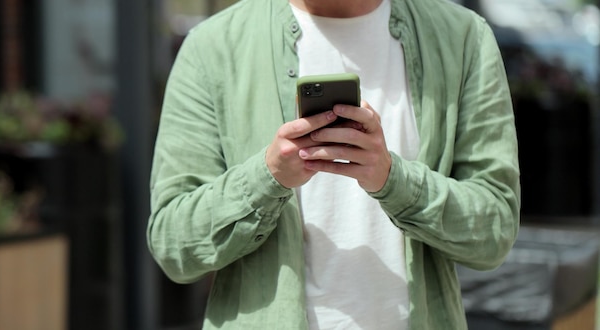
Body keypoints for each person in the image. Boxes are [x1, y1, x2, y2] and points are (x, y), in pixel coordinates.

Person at [147, 0, 521, 329]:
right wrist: (268, 177)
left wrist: (392, 179)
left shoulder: (463, 38)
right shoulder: (213, 47)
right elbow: (174, 244)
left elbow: (494, 232)